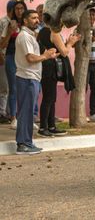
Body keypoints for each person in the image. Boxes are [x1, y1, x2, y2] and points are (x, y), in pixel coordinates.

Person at [14, 10, 58, 154]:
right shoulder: (24, 36)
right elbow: (30, 58)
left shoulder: (30, 36)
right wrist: (45, 56)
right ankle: (22, 144)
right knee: (25, 112)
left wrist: (48, 55)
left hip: (31, 78)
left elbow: (35, 57)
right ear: (25, 21)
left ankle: (28, 142)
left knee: (27, 113)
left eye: (37, 18)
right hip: (26, 78)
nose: (37, 20)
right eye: (33, 18)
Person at [37, 26, 80, 137]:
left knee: (51, 98)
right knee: (49, 98)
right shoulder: (53, 32)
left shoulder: (42, 31)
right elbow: (64, 52)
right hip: (50, 67)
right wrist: (70, 43)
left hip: (46, 66)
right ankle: (43, 128)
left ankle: (51, 126)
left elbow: (54, 49)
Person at [0, 0, 28, 129]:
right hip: (11, 58)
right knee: (13, 88)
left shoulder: (28, 23)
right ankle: (13, 118)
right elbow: (2, 45)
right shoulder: (9, 24)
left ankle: (25, 117)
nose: (19, 11)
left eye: (22, 8)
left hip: (26, 59)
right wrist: (11, 32)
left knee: (26, 88)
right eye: (17, 8)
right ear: (13, 10)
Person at [0, 0, 16, 123]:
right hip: (3, 57)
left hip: (13, 58)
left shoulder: (17, 23)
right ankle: (2, 113)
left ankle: (10, 113)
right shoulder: (3, 22)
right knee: (4, 87)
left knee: (11, 87)